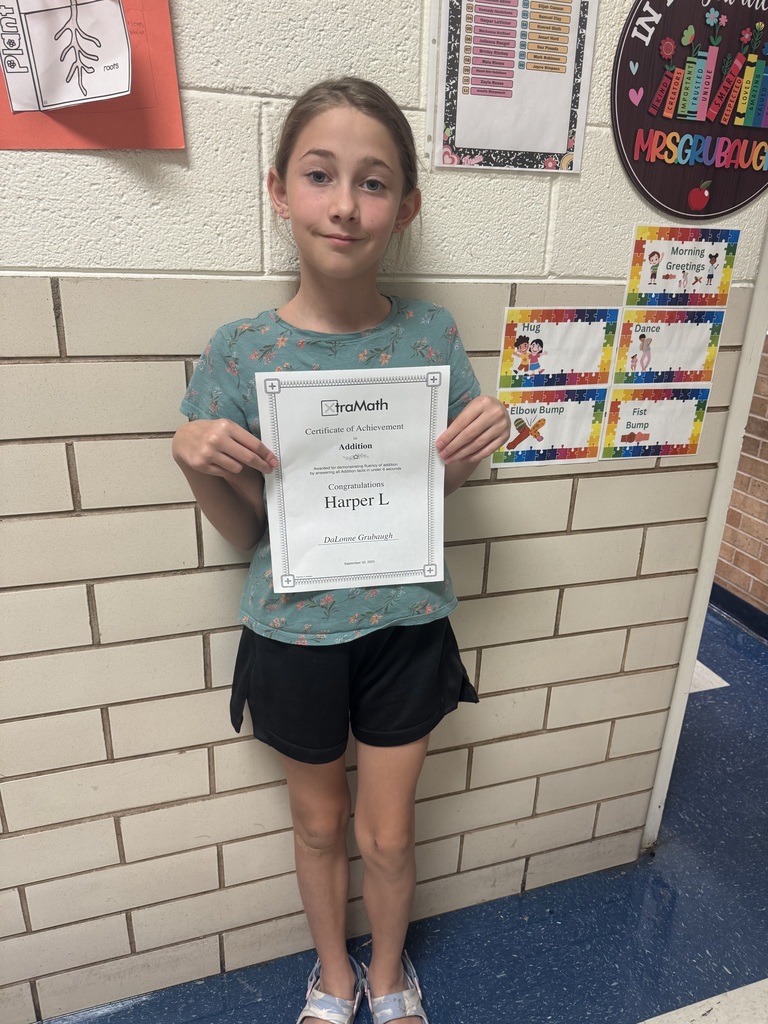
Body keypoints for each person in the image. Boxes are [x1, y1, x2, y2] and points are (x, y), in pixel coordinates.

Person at [172, 77, 511, 1024]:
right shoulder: (240, 352)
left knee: (389, 832)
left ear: (404, 208)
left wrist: (472, 451)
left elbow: (422, 502)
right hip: (292, 629)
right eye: (321, 175)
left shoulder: (430, 336)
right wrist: (195, 459)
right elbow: (249, 533)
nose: (344, 204)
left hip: (405, 623)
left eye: (372, 183)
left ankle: (393, 973)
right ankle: (331, 975)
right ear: (280, 189)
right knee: (319, 824)